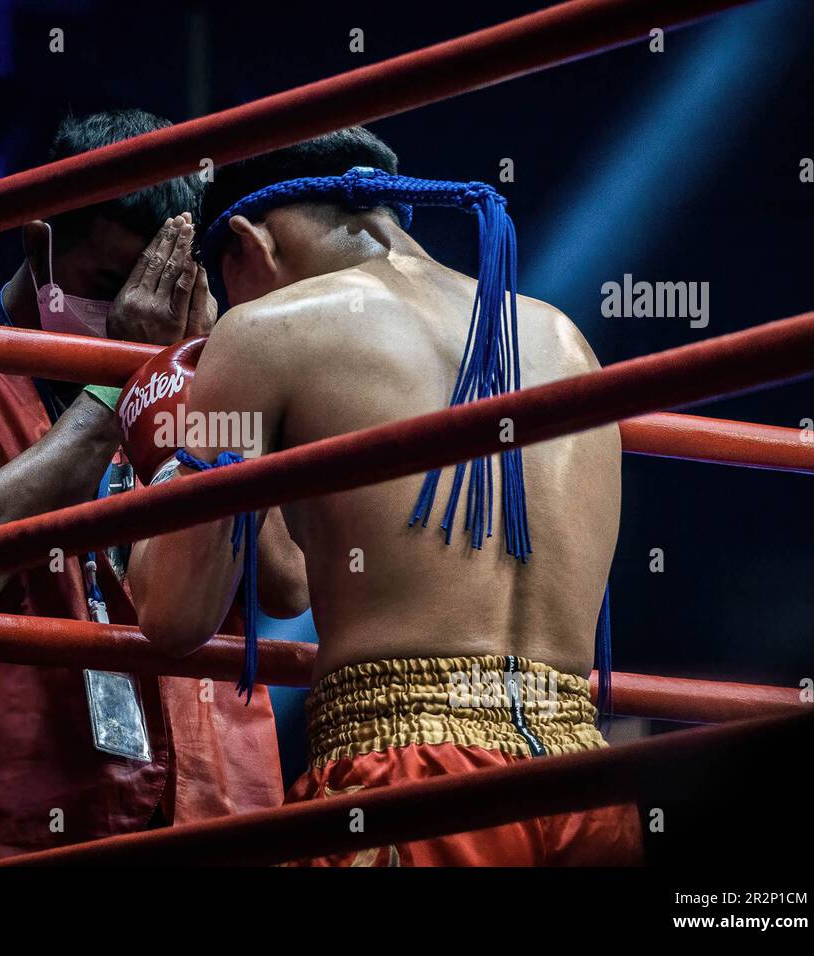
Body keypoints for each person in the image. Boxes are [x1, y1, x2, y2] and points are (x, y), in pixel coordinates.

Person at [121, 127, 642, 865]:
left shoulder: (260, 332)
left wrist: (173, 431)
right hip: (585, 786)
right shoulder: (563, 340)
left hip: (411, 787)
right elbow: (292, 581)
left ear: (245, 245)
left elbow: (175, 614)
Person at [0, 110, 307, 858]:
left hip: (222, 799)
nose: (138, 313)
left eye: (161, 285)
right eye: (111, 284)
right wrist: (120, 385)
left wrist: (201, 382)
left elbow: (284, 586)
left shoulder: (209, 371)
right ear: (38, 242)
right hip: (43, 814)